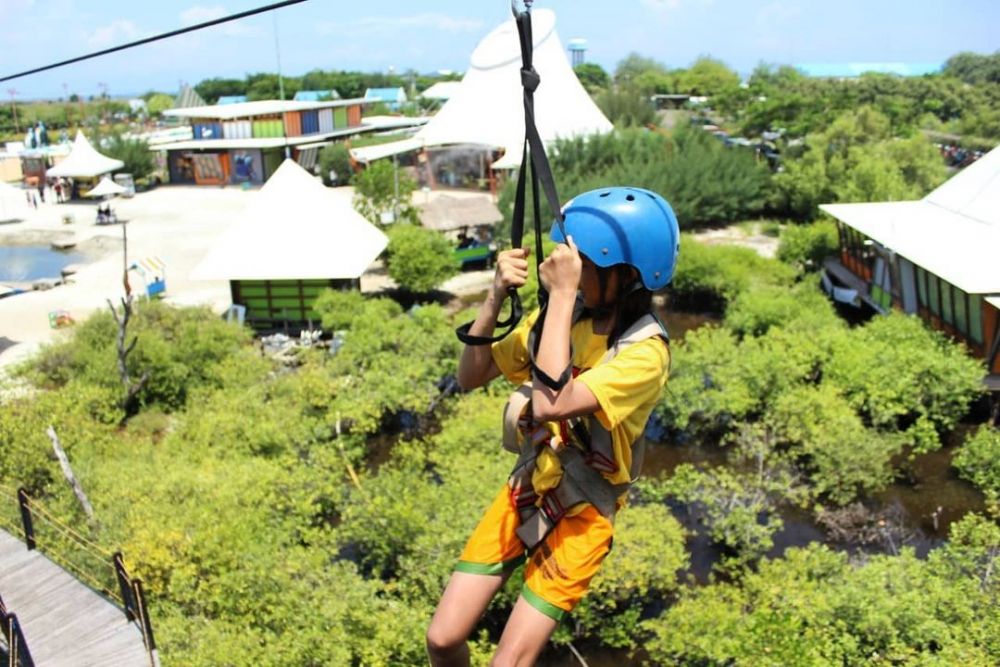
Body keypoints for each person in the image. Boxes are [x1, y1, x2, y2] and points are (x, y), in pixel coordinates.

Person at [427, 187, 680, 666]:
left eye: (587, 268)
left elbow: (549, 403)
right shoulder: (562, 318)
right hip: (529, 487)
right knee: (442, 639)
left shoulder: (646, 353)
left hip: (585, 510)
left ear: (628, 276)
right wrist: (496, 295)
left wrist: (562, 294)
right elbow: (470, 376)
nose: (575, 276)